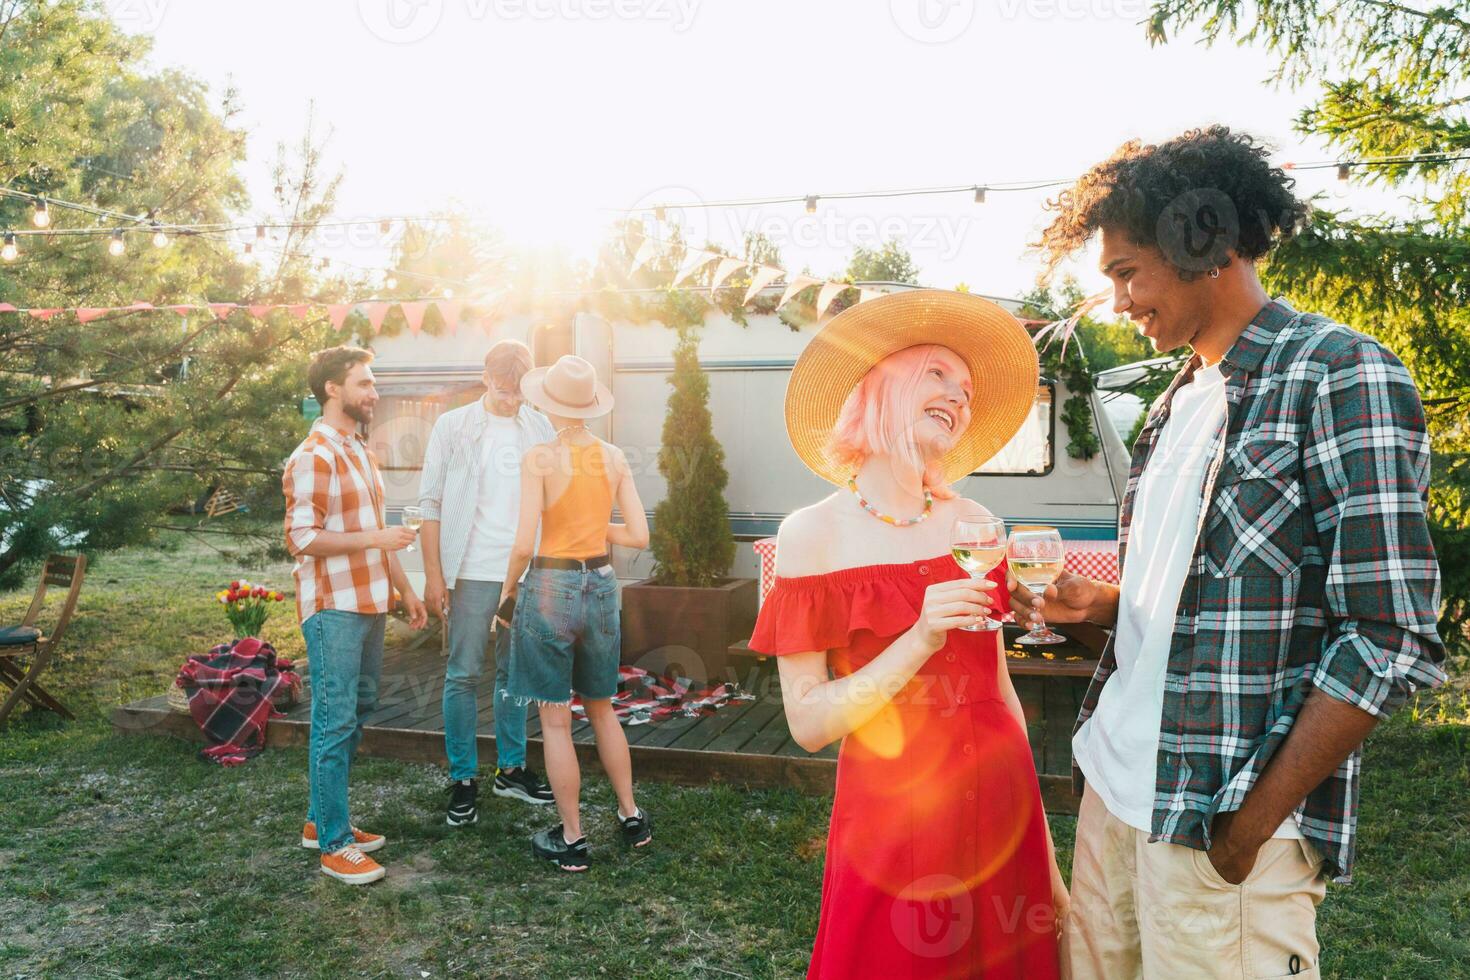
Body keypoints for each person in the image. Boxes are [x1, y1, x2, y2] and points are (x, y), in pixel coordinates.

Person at [1019, 126, 1446, 978]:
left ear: (1200, 242)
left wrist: (1245, 830)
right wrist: (1099, 609)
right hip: (1113, 795)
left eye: (1126, 271)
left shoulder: (1339, 374)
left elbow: (1389, 636)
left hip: (1219, 828)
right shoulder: (1176, 401)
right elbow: (1198, 609)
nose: (1117, 302)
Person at [748, 290, 1065, 979]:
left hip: (1001, 798)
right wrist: (920, 636)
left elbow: (1003, 696)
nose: (960, 396)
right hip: (894, 813)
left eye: (968, 390)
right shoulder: (812, 534)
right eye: (938, 374)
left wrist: (1048, 860)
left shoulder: (976, 522)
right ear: (880, 384)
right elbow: (808, 723)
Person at [500, 354, 651, 872]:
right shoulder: (613, 457)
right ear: (589, 404)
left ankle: (572, 838)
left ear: (547, 403)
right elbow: (638, 536)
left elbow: (523, 545)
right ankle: (631, 815)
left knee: (556, 718)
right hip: (603, 585)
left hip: (551, 583)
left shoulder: (538, 458)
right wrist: (595, 528)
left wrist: (505, 594)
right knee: (603, 706)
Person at [284, 345, 429, 885]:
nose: (374, 392)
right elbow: (301, 538)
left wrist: (406, 591)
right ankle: (335, 846)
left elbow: (378, 536)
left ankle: (321, 821)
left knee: (359, 707)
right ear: (333, 389)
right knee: (335, 717)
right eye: (364, 383)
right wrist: (378, 538)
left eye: (373, 383)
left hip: (369, 603)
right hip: (333, 609)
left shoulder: (359, 451)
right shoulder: (313, 456)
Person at [419, 340, 557, 827]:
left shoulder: (539, 424)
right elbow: (430, 504)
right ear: (485, 377)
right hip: (471, 571)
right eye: (503, 391)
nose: (511, 400)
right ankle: (462, 778)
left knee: (514, 673)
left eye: (518, 392)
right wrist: (435, 575)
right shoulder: (452, 427)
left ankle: (511, 769)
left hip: (523, 571)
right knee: (462, 673)